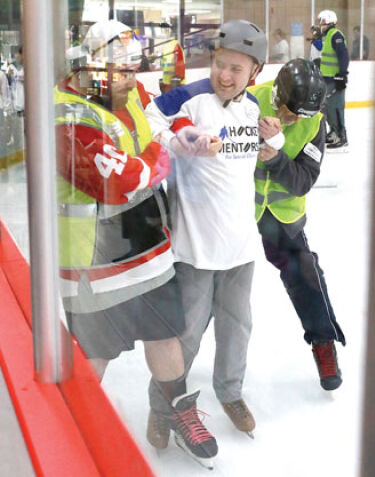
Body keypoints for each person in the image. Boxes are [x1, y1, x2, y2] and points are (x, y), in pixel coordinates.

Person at [56, 19, 217, 468]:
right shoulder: (68, 116)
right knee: (95, 355)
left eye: (132, 69)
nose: (132, 79)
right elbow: (122, 181)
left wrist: (184, 134)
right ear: (93, 67)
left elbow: (159, 124)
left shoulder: (130, 93)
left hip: (148, 249)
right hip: (96, 262)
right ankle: (73, 429)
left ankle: (177, 412)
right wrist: (159, 158)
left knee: (166, 334)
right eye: (122, 71)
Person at [144, 19, 267, 443]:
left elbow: (244, 166)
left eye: (236, 68)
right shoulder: (192, 98)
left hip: (240, 245)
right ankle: (162, 408)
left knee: (238, 327)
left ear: (254, 73)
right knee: (186, 336)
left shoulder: (252, 109)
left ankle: (229, 392)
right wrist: (180, 142)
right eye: (219, 63)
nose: (224, 75)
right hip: (194, 248)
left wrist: (272, 145)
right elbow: (149, 118)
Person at [248, 59, 345, 391]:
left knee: (306, 272)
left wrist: (276, 158)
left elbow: (303, 180)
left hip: (281, 218)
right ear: (277, 94)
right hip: (237, 213)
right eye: (291, 113)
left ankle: (323, 344)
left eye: (303, 115)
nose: (295, 121)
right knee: (212, 280)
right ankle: (179, 353)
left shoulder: (315, 124)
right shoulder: (248, 102)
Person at [318, 10, 349, 149]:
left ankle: (341, 136)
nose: (320, 25)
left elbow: (343, 56)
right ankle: (333, 133)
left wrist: (342, 75)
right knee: (327, 108)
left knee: (335, 108)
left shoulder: (336, 35)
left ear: (329, 21)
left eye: (322, 22)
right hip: (327, 79)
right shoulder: (328, 36)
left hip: (335, 79)